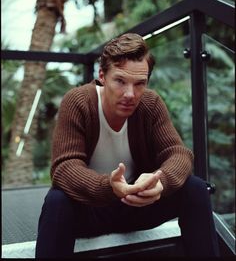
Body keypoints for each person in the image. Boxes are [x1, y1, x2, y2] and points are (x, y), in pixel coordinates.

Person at [36, 33, 219, 258]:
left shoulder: (150, 104)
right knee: (56, 200)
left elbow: (178, 153)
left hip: (135, 205)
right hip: (90, 209)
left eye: (140, 83)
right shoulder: (78, 102)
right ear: (102, 76)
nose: (130, 94)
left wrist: (159, 181)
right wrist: (109, 186)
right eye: (120, 81)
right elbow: (64, 168)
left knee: (196, 188)